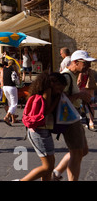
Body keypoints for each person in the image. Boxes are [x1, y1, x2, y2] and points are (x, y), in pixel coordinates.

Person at [52, 50, 95, 181]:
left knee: (83, 150)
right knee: (77, 152)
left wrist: (80, 95)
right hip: (69, 120)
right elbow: (58, 98)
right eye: (86, 63)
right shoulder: (66, 76)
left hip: (73, 117)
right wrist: (79, 95)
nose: (89, 66)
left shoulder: (72, 76)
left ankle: (56, 172)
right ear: (75, 62)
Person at [19, 72, 66, 181]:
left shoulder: (41, 89)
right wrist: (57, 99)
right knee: (48, 166)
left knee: (49, 165)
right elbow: (47, 112)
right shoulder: (47, 91)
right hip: (39, 132)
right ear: (53, 83)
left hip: (40, 130)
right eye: (59, 88)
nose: (60, 91)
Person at [1, 59, 20, 126]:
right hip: (11, 87)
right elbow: (16, 79)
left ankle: (13, 119)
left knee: (10, 104)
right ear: (14, 64)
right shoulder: (13, 70)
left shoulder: (4, 69)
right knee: (14, 104)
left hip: (5, 87)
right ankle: (6, 117)